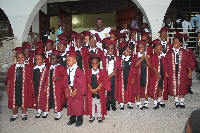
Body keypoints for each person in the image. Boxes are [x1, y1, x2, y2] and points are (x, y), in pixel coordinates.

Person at [6, 47, 33, 121]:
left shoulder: (28, 68)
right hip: (15, 87)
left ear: (25, 57)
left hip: (25, 86)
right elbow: (9, 79)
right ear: (16, 58)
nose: (20, 59)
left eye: (22, 57)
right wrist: (8, 88)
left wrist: (31, 88)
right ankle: (15, 114)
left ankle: (24, 114)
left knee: (24, 99)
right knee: (15, 100)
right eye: (18, 57)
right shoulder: (12, 67)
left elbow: (31, 79)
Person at [165, 36, 192, 108]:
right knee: (174, 85)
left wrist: (189, 72)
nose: (174, 43)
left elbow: (188, 62)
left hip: (182, 70)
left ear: (180, 43)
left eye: (176, 42)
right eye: (173, 42)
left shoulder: (184, 52)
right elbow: (166, 62)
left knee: (182, 85)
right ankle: (176, 101)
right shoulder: (169, 52)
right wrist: (166, 72)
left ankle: (182, 101)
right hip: (172, 70)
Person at [84, 54, 111, 122]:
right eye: (92, 63)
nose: (94, 65)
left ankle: (99, 116)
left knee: (99, 104)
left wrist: (96, 89)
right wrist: (91, 89)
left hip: (99, 91)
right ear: (90, 64)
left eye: (96, 63)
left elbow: (104, 81)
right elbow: (86, 81)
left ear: (99, 63)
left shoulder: (102, 72)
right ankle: (92, 116)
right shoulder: (88, 72)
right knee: (92, 104)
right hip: (91, 91)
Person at [42, 50, 66, 120]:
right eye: (51, 58)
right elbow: (45, 77)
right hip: (49, 85)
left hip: (57, 86)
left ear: (58, 59)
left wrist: (59, 78)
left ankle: (59, 113)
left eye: (54, 58)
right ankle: (46, 111)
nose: (52, 60)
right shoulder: (49, 68)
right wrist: (44, 85)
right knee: (48, 97)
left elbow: (65, 77)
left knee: (58, 98)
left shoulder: (61, 68)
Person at [66, 51, 86, 127]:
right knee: (71, 104)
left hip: (76, 89)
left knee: (78, 105)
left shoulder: (79, 71)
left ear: (75, 60)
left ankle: (79, 119)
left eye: (69, 60)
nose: (68, 62)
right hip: (70, 88)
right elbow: (65, 80)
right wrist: (66, 90)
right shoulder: (67, 70)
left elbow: (81, 82)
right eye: (67, 60)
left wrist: (75, 90)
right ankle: (72, 118)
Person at [132, 40, 151, 109]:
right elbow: (135, 65)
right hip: (138, 74)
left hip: (145, 73)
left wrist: (146, 59)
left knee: (146, 87)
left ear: (145, 48)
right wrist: (141, 59)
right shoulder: (136, 56)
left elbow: (150, 66)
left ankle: (146, 101)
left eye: (142, 47)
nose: (140, 49)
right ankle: (138, 102)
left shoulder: (148, 56)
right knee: (138, 87)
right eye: (139, 48)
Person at [102, 40, 120, 111]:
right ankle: (107, 105)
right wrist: (106, 77)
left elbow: (117, 68)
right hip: (106, 77)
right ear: (106, 49)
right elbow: (102, 68)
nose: (110, 50)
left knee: (113, 91)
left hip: (113, 77)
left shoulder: (117, 58)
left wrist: (110, 75)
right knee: (107, 91)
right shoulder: (104, 58)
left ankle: (113, 104)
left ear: (115, 49)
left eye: (112, 48)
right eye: (108, 48)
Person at [150, 39, 168, 109]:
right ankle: (155, 102)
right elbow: (153, 66)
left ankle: (159, 100)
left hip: (162, 74)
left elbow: (165, 65)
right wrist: (157, 74)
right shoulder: (153, 56)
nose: (161, 49)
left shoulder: (162, 57)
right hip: (156, 74)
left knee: (161, 87)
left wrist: (166, 73)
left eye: (162, 48)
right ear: (155, 49)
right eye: (160, 48)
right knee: (155, 87)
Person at [117, 42, 134, 109]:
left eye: (129, 50)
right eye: (127, 50)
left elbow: (133, 68)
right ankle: (122, 102)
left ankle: (129, 101)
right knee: (122, 88)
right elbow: (118, 68)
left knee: (129, 88)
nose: (129, 52)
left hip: (129, 75)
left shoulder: (131, 59)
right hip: (122, 76)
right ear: (123, 51)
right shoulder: (120, 59)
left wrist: (133, 77)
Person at [32, 47, 48, 118]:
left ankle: (45, 111)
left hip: (43, 86)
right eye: (36, 59)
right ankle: (39, 110)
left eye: (39, 59)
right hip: (37, 85)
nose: (37, 61)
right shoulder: (34, 68)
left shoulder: (45, 69)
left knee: (43, 98)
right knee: (37, 97)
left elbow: (47, 78)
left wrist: (45, 86)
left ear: (43, 60)